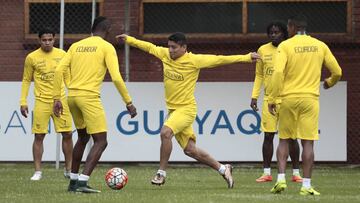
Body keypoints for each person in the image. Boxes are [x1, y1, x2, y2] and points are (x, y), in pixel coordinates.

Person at [116, 32, 260, 188]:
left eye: (174, 47)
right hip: (173, 110)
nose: (170, 50)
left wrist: (246, 57)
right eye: (169, 47)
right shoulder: (165, 54)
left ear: (184, 47)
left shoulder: (194, 60)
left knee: (165, 132)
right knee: (190, 150)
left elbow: (220, 59)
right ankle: (224, 169)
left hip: (186, 109)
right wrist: (129, 39)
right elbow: (148, 47)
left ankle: (161, 173)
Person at [53, 16, 137, 193]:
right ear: (106, 29)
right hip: (89, 98)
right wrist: (128, 102)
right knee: (101, 141)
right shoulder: (107, 47)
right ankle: (83, 183)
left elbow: (59, 69)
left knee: (83, 138)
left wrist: (56, 98)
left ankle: (73, 182)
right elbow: (116, 77)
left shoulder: (76, 46)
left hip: (72, 97)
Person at [268, 15, 342, 195]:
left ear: (292, 27)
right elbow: (338, 72)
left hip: (288, 98)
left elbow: (277, 73)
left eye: (287, 27)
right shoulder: (320, 45)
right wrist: (329, 82)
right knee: (308, 143)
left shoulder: (285, 46)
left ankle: (280, 180)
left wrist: (272, 98)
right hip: (310, 98)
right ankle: (306, 185)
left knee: (284, 139)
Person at [250, 22, 302, 183]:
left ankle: (296, 173)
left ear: (284, 33)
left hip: (287, 98)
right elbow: (259, 75)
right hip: (268, 99)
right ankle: (266, 173)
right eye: (271, 33)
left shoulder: (289, 47)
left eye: (277, 32)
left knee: (292, 137)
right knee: (268, 136)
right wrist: (254, 96)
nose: (273, 35)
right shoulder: (262, 50)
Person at [20, 27, 73, 181]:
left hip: (61, 100)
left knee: (68, 133)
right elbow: (26, 80)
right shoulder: (32, 57)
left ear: (54, 39)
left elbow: (68, 77)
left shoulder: (62, 55)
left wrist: (74, 94)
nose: (47, 42)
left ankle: (68, 169)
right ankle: (38, 171)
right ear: (39, 40)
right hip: (42, 101)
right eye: (44, 40)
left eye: (50, 40)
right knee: (39, 135)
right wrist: (23, 101)